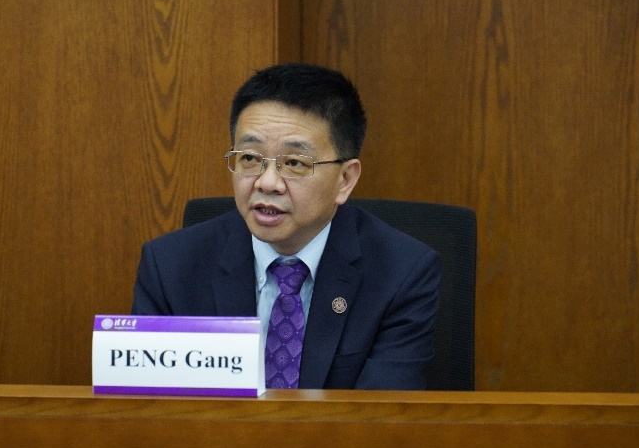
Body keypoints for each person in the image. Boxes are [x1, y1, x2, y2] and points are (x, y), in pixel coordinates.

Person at [132, 63, 440, 390]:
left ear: (345, 179)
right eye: (250, 158)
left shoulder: (401, 273)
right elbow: (152, 405)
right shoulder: (169, 267)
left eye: (294, 163)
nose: (267, 183)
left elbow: (380, 414)